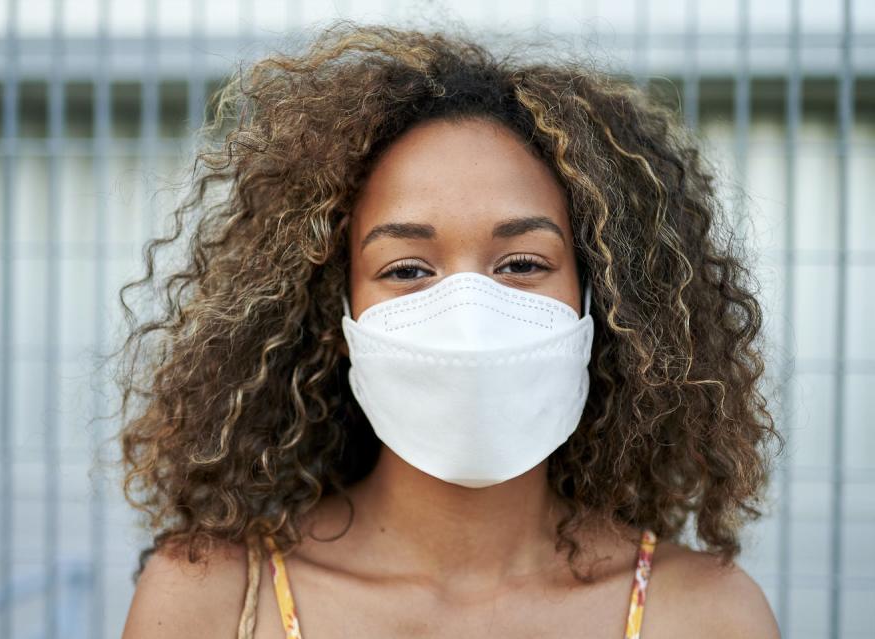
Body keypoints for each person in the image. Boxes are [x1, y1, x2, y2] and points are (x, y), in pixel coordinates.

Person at [118, 21, 784, 639]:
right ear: (336, 313)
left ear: (600, 300)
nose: (468, 312)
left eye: (522, 263)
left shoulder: (706, 614)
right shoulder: (212, 600)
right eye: (407, 268)